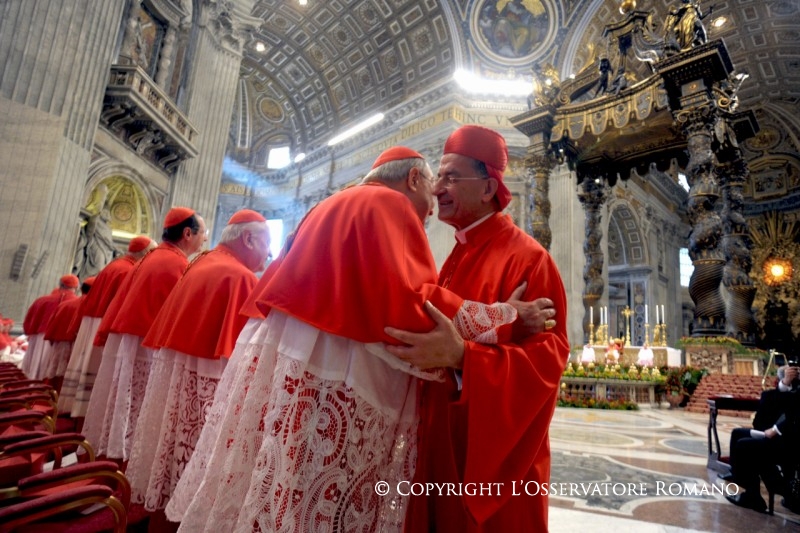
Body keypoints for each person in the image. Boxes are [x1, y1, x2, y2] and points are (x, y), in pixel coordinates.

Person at [166, 147, 549, 532]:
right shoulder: (392, 204)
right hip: (340, 382)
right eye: (435, 181)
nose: (434, 198)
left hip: (297, 373)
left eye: (451, 179)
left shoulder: (327, 205)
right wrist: (506, 318)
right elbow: (411, 304)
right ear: (413, 179)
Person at [384, 125, 569, 531]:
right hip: (439, 442)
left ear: (488, 188)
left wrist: (462, 357)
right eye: (438, 177)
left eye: (451, 177)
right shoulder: (455, 256)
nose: (437, 189)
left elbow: (546, 365)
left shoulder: (529, 260)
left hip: (492, 465)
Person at [125, 209, 270, 523]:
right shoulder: (240, 277)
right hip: (208, 389)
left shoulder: (200, 262)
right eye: (266, 243)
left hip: (179, 384)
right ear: (248, 239)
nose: (269, 253)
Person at [82, 208, 206, 462]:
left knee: (125, 409)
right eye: (203, 233)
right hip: (146, 350)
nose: (205, 238)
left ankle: (112, 456)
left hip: (132, 343)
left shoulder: (151, 258)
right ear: (187, 233)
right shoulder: (178, 264)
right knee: (138, 413)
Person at [58, 235, 155, 421]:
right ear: (144, 253)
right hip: (106, 324)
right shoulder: (129, 270)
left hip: (93, 321)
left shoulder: (114, 266)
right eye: (151, 252)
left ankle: (77, 413)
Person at [723, 364, 799, 512]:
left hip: (791, 441)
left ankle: (760, 494)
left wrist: (776, 430)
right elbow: (760, 422)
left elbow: (794, 412)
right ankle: (740, 477)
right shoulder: (777, 394)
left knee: (745, 446)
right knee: (738, 434)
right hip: (780, 435)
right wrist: (785, 384)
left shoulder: (795, 394)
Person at [39, 276, 95, 391]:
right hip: (81, 349)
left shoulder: (65, 304)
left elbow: (51, 329)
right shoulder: (94, 307)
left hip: (60, 346)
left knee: (56, 379)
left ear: (81, 289)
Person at [22, 274, 80, 379]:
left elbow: (29, 320)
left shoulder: (41, 300)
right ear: (76, 288)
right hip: (59, 340)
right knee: (50, 371)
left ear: (60, 285)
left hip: (39, 338)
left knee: (33, 369)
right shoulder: (76, 303)